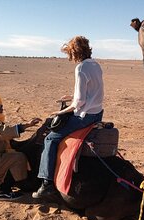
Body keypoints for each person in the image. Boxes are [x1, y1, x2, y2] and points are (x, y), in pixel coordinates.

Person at [32, 36, 104, 198]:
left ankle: (47, 183)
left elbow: (80, 102)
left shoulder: (81, 68)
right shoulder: (96, 65)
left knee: (50, 139)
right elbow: (92, 92)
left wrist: (62, 111)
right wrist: (71, 97)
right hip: (97, 113)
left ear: (73, 52)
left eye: (69, 53)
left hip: (84, 116)